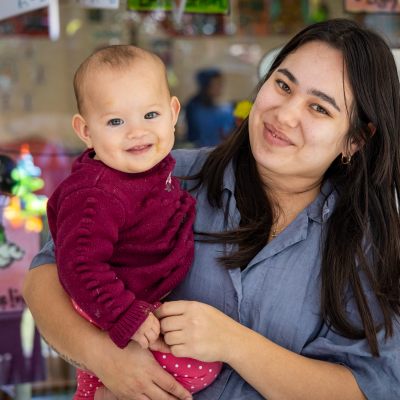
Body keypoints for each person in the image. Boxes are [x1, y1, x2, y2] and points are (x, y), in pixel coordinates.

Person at [23, 19, 400, 400]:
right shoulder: (163, 174)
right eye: (283, 85)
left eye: (319, 107)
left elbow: (371, 388)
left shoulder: (369, 242)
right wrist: (104, 358)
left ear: (355, 139)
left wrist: (233, 343)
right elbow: (45, 278)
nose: (284, 115)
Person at [44, 45, 221, 399]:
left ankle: (101, 391)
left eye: (150, 115)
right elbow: (79, 263)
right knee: (203, 368)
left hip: (131, 297)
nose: (137, 132)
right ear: (85, 131)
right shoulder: (97, 194)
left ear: (173, 113)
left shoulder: (152, 166)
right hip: (106, 300)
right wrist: (126, 314)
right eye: (115, 121)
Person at [185, 69, 235, 147]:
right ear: (206, 86)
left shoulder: (226, 109)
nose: (220, 87)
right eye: (216, 84)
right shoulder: (195, 109)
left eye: (221, 84)